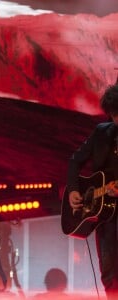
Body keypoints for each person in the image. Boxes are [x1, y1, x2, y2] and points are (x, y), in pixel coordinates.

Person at [67, 84, 118, 300]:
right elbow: (75, 161)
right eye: (114, 115)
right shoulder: (101, 133)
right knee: (108, 271)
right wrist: (73, 190)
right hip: (104, 217)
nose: (117, 120)